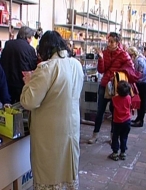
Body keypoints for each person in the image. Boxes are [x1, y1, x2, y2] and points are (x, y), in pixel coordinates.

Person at [20, 30, 84, 190]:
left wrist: (28, 82)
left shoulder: (47, 68)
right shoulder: (76, 64)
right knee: (68, 168)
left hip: (50, 133)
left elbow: (29, 102)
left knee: (49, 174)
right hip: (71, 128)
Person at [88, 32, 134, 144]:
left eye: (111, 41)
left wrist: (119, 74)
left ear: (117, 43)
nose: (109, 43)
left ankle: (113, 136)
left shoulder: (123, 54)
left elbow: (130, 67)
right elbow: (101, 70)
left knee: (115, 113)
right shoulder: (105, 53)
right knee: (100, 111)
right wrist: (101, 59)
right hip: (104, 85)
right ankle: (95, 134)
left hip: (116, 86)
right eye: (108, 41)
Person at [0, 26, 37, 104]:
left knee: (8, 108)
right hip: (21, 83)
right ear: (28, 37)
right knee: (21, 108)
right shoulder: (30, 49)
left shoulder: (8, 44)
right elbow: (33, 67)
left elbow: (2, 61)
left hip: (7, 82)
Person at [127, 47, 146, 127]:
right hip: (145, 82)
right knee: (141, 102)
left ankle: (140, 121)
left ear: (133, 54)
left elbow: (142, 73)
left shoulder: (139, 60)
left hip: (144, 83)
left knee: (142, 102)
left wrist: (135, 78)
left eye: (130, 55)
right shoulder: (141, 58)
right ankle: (138, 119)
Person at [108, 80, 131, 161]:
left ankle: (115, 153)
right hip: (127, 121)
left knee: (115, 137)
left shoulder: (114, 99)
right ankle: (123, 152)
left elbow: (111, 109)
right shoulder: (128, 98)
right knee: (124, 137)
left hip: (117, 121)